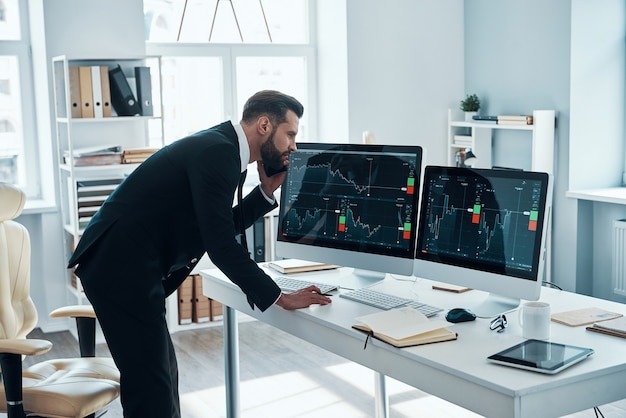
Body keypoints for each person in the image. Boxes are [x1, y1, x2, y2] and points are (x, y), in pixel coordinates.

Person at [67, 90, 332, 418]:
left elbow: (214, 228)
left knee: (162, 378)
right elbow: (220, 246)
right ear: (264, 125)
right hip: (118, 268)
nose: (293, 146)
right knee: (151, 389)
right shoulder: (218, 154)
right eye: (290, 134)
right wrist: (280, 296)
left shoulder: (224, 150)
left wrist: (264, 192)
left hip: (130, 267)